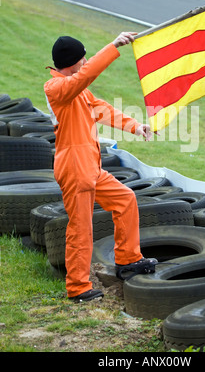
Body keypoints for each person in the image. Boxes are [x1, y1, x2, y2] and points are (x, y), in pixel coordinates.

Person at [44, 32, 157, 303]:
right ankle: (78, 288)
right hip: (74, 168)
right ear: (72, 63)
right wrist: (113, 46)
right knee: (80, 229)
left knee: (126, 199)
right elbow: (85, 76)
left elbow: (102, 109)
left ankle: (128, 260)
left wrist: (135, 125)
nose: (86, 61)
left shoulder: (79, 90)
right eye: (83, 57)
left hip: (90, 167)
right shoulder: (56, 88)